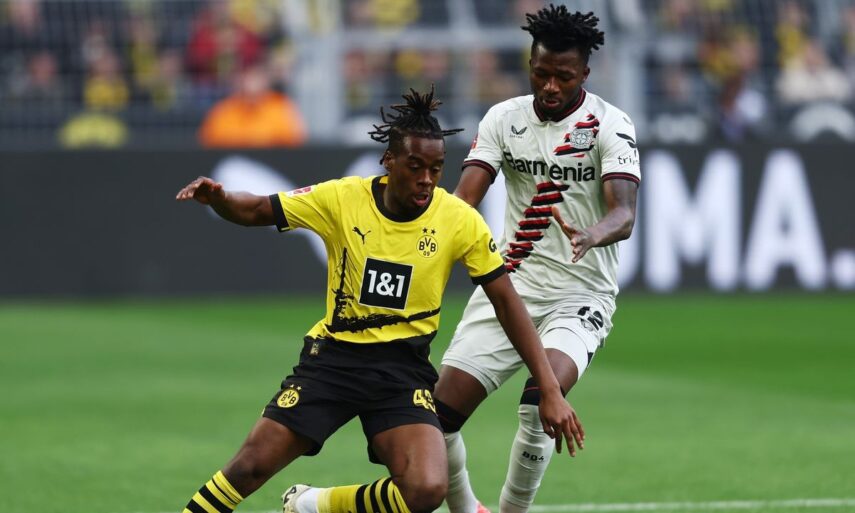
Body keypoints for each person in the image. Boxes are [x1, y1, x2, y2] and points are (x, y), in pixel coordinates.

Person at [176, 86, 583, 513]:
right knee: (250, 467)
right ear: (389, 161)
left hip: (402, 372)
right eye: (415, 166)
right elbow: (257, 208)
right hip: (334, 362)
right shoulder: (342, 198)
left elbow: (506, 301)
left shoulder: (458, 219)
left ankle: (312, 505)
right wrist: (221, 199)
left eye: (436, 168)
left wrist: (549, 387)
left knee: (426, 489)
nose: (426, 179)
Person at [433, 6, 640, 513]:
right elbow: (464, 200)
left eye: (563, 76)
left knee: (537, 403)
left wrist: (591, 234)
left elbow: (624, 214)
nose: (550, 86)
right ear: (529, 65)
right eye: (541, 73)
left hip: (580, 295)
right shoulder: (504, 119)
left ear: (584, 73)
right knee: (435, 421)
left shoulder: (610, 124)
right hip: (510, 291)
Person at [198, 62, 307, 148]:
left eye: (256, 77)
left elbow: (295, 141)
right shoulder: (224, 110)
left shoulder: (281, 107)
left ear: (266, 81)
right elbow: (209, 141)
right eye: (246, 77)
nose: (251, 84)